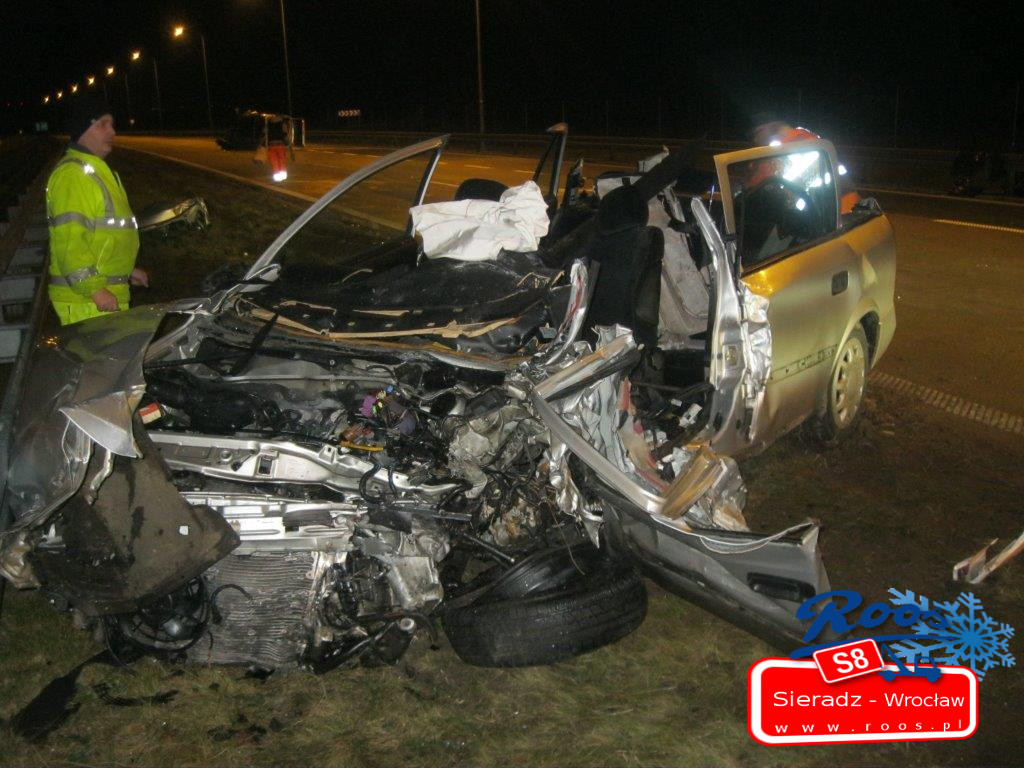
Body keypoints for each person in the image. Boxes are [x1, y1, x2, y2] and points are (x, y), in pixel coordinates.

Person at [46, 94, 148, 325]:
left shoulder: (96, 171)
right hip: (86, 301)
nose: (112, 131)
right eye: (103, 124)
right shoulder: (74, 175)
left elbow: (104, 237)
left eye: (112, 124)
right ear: (83, 129)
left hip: (102, 295)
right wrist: (95, 290)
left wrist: (127, 271)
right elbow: (71, 244)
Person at [748, 112, 861, 213]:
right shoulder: (800, 140)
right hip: (836, 209)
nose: (755, 139)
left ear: (769, 127)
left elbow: (763, 185)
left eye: (757, 133)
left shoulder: (793, 144)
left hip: (837, 213)